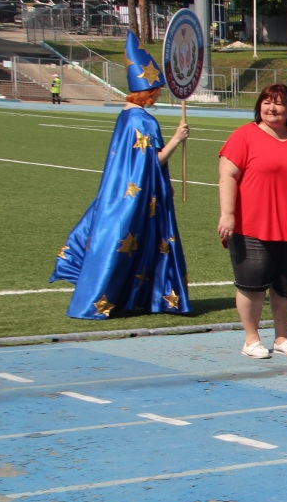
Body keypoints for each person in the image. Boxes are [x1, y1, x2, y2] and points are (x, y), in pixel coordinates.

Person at [51, 31, 191, 321]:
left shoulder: (125, 116)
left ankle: (128, 295)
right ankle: (131, 296)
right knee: (139, 241)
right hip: (141, 198)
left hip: (121, 193)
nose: (159, 94)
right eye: (156, 90)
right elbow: (153, 161)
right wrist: (177, 139)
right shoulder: (143, 120)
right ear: (147, 91)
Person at [217, 83, 287, 359]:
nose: (272, 108)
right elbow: (227, 175)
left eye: (279, 104)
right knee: (252, 285)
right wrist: (227, 214)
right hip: (252, 226)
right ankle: (251, 339)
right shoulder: (244, 136)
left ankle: (282, 337)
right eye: (266, 102)